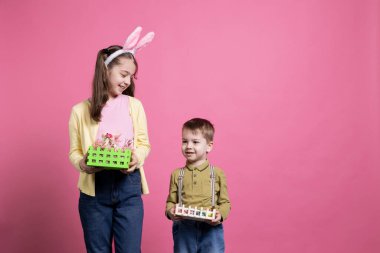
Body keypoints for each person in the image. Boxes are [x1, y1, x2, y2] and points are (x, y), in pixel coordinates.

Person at [68, 26, 154, 253]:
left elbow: (144, 144)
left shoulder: (135, 106)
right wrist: (83, 164)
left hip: (129, 188)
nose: (127, 81)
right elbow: (74, 152)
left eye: (131, 76)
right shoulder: (79, 111)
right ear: (105, 70)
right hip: (95, 192)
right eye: (123, 74)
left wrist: (137, 157)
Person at [165, 118, 231, 253]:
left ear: (209, 146)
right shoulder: (177, 174)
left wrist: (220, 215)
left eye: (195, 142)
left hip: (211, 230)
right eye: (184, 141)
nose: (188, 146)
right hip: (184, 230)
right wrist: (170, 212)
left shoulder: (217, 173)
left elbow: (225, 203)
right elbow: (171, 202)